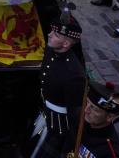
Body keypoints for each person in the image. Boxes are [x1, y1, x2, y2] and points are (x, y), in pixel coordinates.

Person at [31, 11, 86, 157]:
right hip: (44, 115)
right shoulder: (52, 51)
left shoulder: (74, 75)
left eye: (55, 34)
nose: (49, 34)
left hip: (59, 128)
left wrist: (69, 148)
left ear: (66, 43)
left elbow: (75, 116)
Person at [72, 82, 119, 158]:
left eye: (94, 108)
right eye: (87, 102)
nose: (86, 110)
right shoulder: (79, 116)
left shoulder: (110, 151)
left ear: (110, 117)